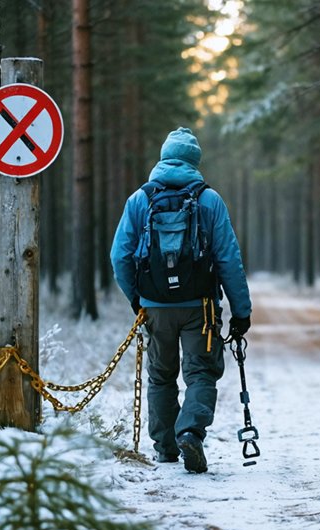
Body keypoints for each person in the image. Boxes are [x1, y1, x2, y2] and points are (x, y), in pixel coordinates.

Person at [111, 127, 252, 474]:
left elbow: (120, 256)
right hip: (199, 306)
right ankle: (190, 431)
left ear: (162, 158)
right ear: (195, 161)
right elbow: (228, 260)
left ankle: (166, 449)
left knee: (160, 376)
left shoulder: (140, 199)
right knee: (201, 372)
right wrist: (241, 311)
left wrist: (137, 299)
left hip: (155, 305)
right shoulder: (209, 200)